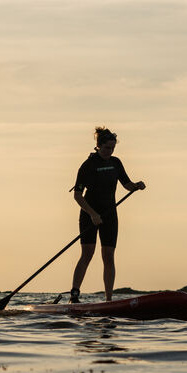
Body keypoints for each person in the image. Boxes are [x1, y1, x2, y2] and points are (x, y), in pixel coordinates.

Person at [70, 127, 146, 303]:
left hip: (110, 214)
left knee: (109, 256)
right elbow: (77, 195)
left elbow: (127, 184)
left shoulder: (116, 163)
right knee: (87, 253)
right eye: (106, 148)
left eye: (112, 148)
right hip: (90, 214)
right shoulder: (88, 165)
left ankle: (109, 299)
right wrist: (93, 214)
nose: (109, 152)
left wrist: (137, 185)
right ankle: (74, 295)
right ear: (98, 146)